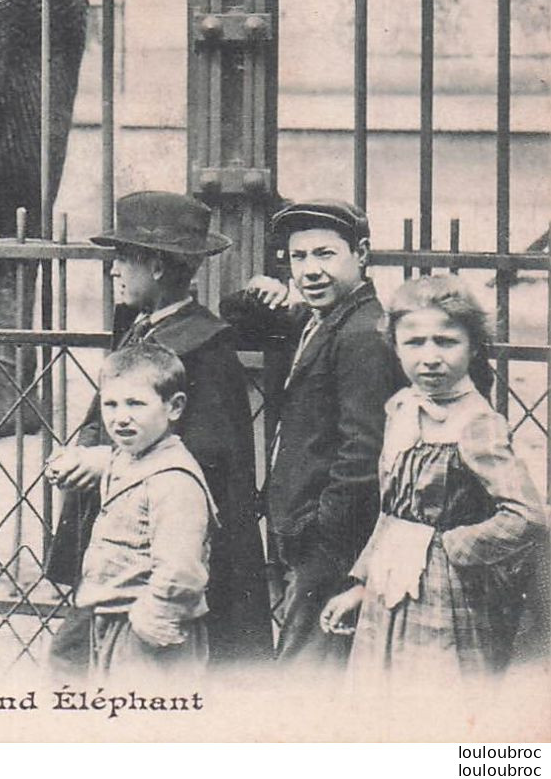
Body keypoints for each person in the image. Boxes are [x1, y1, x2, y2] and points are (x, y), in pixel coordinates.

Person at [46, 191, 271, 670]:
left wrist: (103, 460)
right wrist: (82, 447)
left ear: (158, 266)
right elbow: (100, 411)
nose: (113, 270)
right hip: (121, 548)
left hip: (159, 553)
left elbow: (208, 457)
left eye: (123, 258)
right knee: (78, 657)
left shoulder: (204, 348)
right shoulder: (139, 327)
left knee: (89, 662)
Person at [319, 274, 545, 677]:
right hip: (387, 591)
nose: (430, 357)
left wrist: (452, 546)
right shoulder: (402, 410)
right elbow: (392, 512)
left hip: (448, 598)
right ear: (395, 347)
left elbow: (527, 516)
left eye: (446, 341)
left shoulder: (477, 424)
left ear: (473, 347)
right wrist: (361, 583)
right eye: (414, 342)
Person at [222, 199, 403, 666]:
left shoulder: (362, 332)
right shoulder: (316, 320)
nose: (310, 271)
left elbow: (363, 452)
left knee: (306, 673)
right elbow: (234, 319)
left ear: (361, 254)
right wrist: (259, 292)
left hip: (330, 543)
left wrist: (320, 532)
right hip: (304, 532)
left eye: (325, 255)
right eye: (297, 258)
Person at [74, 343, 216, 676]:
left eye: (136, 404)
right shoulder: (131, 458)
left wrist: (151, 618)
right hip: (114, 617)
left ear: (174, 407)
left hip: (150, 627)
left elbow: (181, 568)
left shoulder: (173, 480)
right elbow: (111, 461)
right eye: (110, 405)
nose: (120, 417)